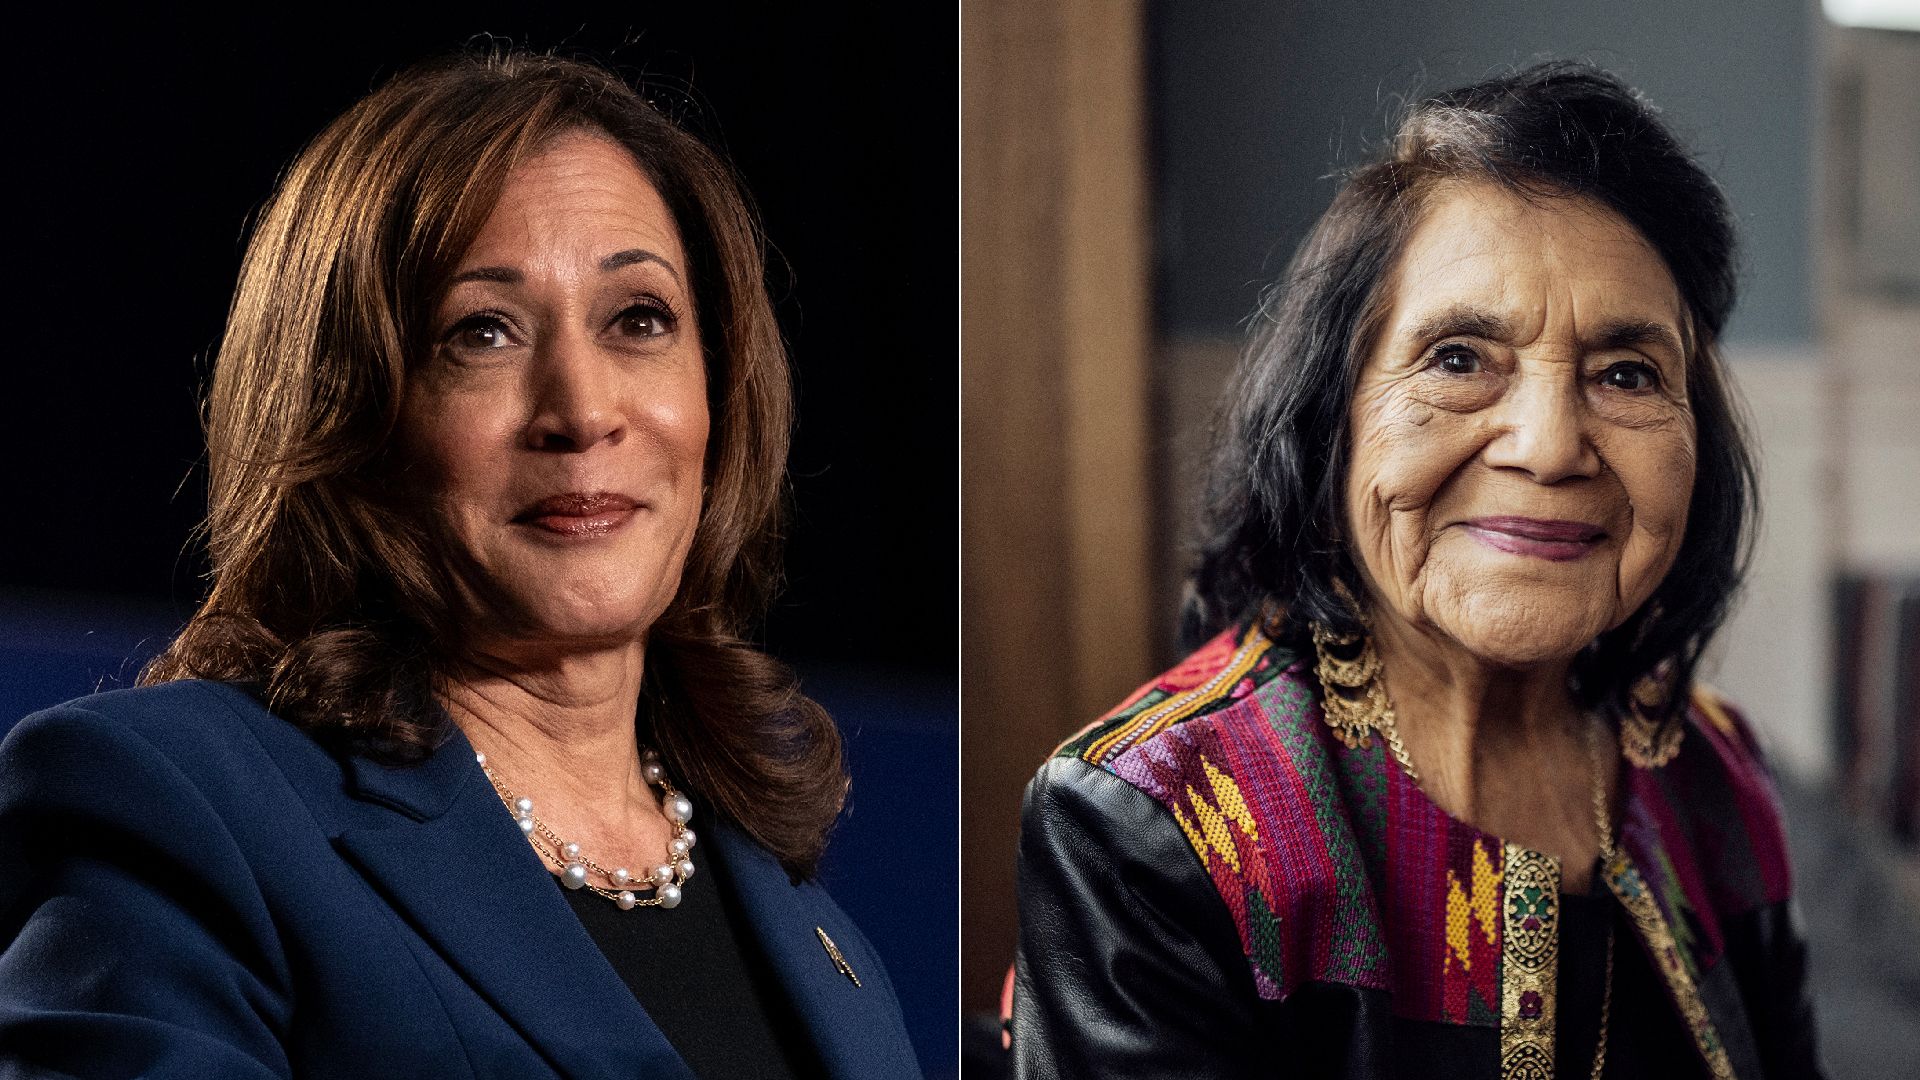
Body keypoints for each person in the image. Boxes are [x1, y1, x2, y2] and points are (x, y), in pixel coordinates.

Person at [0, 50, 919, 1080]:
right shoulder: (177, 803)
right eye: (480, 332)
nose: (582, 410)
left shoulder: (816, 932)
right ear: (348, 415)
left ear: (721, 391)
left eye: (640, 320)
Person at [1010, 62, 1822, 1079]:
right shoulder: (1152, 826)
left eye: (1626, 374)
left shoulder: (1710, 770)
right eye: (1458, 358)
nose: (1549, 445)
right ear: (1332, 416)